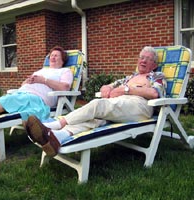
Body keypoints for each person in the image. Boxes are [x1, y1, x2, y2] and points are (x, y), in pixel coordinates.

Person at [25, 46, 167, 157]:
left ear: (154, 65)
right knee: (96, 119)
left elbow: (155, 93)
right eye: (141, 57)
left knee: (98, 104)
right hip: (121, 105)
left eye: (147, 59)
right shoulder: (129, 77)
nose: (143, 60)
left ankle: (55, 124)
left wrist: (126, 90)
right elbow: (109, 86)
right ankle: (57, 137)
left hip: (139, 106)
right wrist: (107, 87)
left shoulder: (156, 76)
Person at [0, 46, 73, 121]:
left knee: (6, 101)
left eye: (56, 56)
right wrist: (27, 81)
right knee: (8, 100)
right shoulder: (41, 71)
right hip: (22, 94)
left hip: (37, 99)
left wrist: (43, 80)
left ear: (63, 59)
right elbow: (24, 85)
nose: (52, 57)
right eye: (51, 55)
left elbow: (65, 87)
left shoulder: (65, 71)